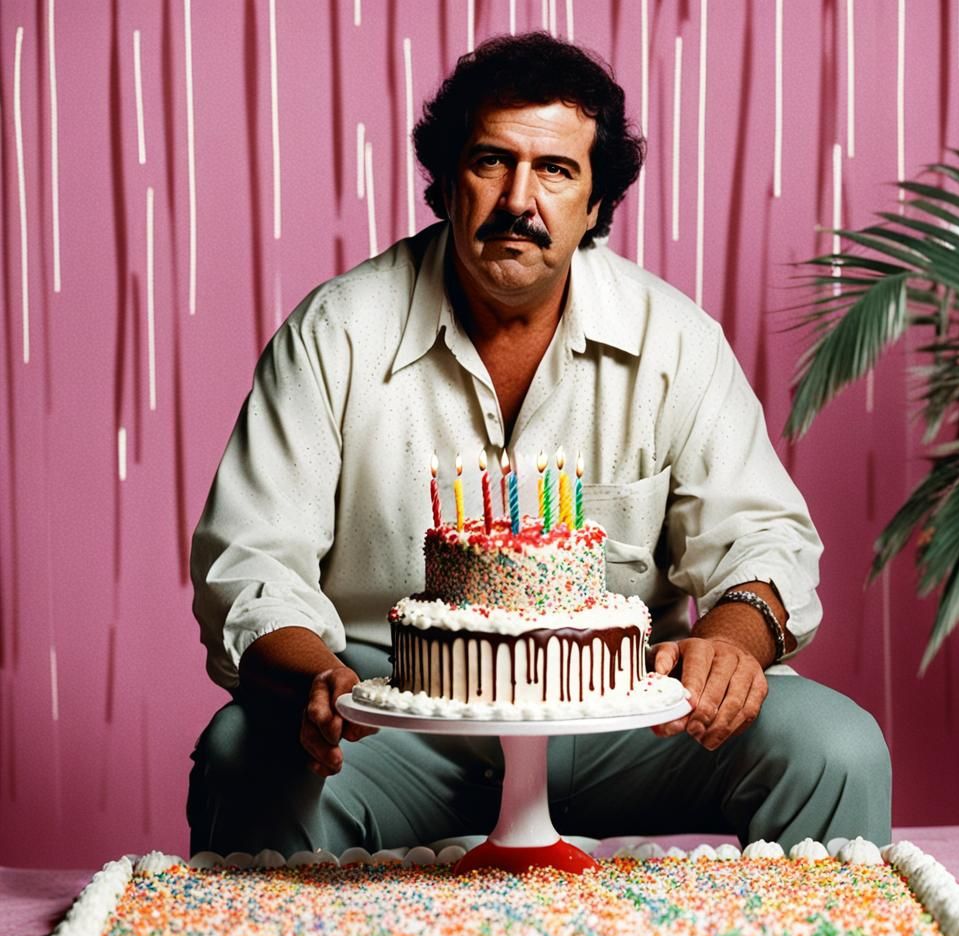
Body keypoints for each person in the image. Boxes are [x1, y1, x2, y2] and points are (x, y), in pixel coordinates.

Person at [188, 33, 891, 857]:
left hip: (626, 714)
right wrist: (314, 680)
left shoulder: (673, 340)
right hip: (392, 717)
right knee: (246, 755)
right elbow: (252, 561)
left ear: (596, 205)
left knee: (835, 749)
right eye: (492, 162)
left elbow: (763, 537)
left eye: (556, 170)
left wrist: (733, 643)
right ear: (447, 181)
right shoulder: (337, 333)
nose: (519, 199)